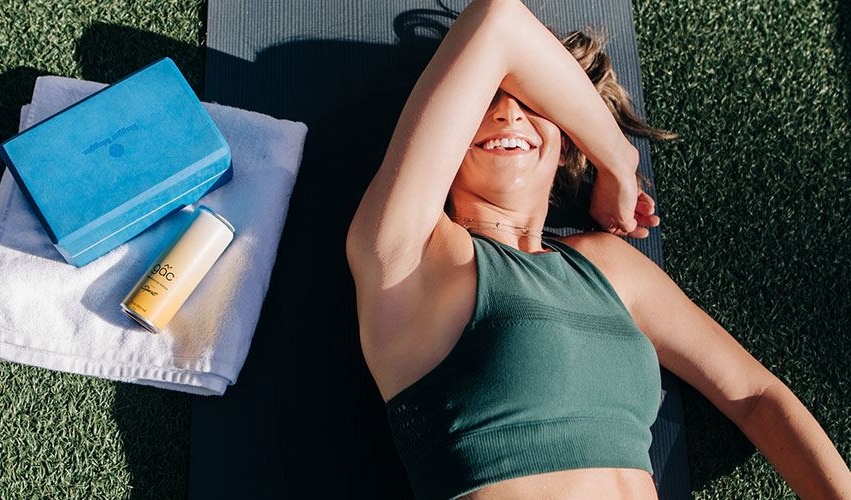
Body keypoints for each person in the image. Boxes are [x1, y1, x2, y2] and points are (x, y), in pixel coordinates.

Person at [345, 0, 851, 498]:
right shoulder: (406, 255)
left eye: (534, 103)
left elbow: (757, 397)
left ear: (565, 142)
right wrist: (616, 159)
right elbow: (497, 22)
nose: (507, 112)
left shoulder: (610, 267)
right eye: (485, 99)